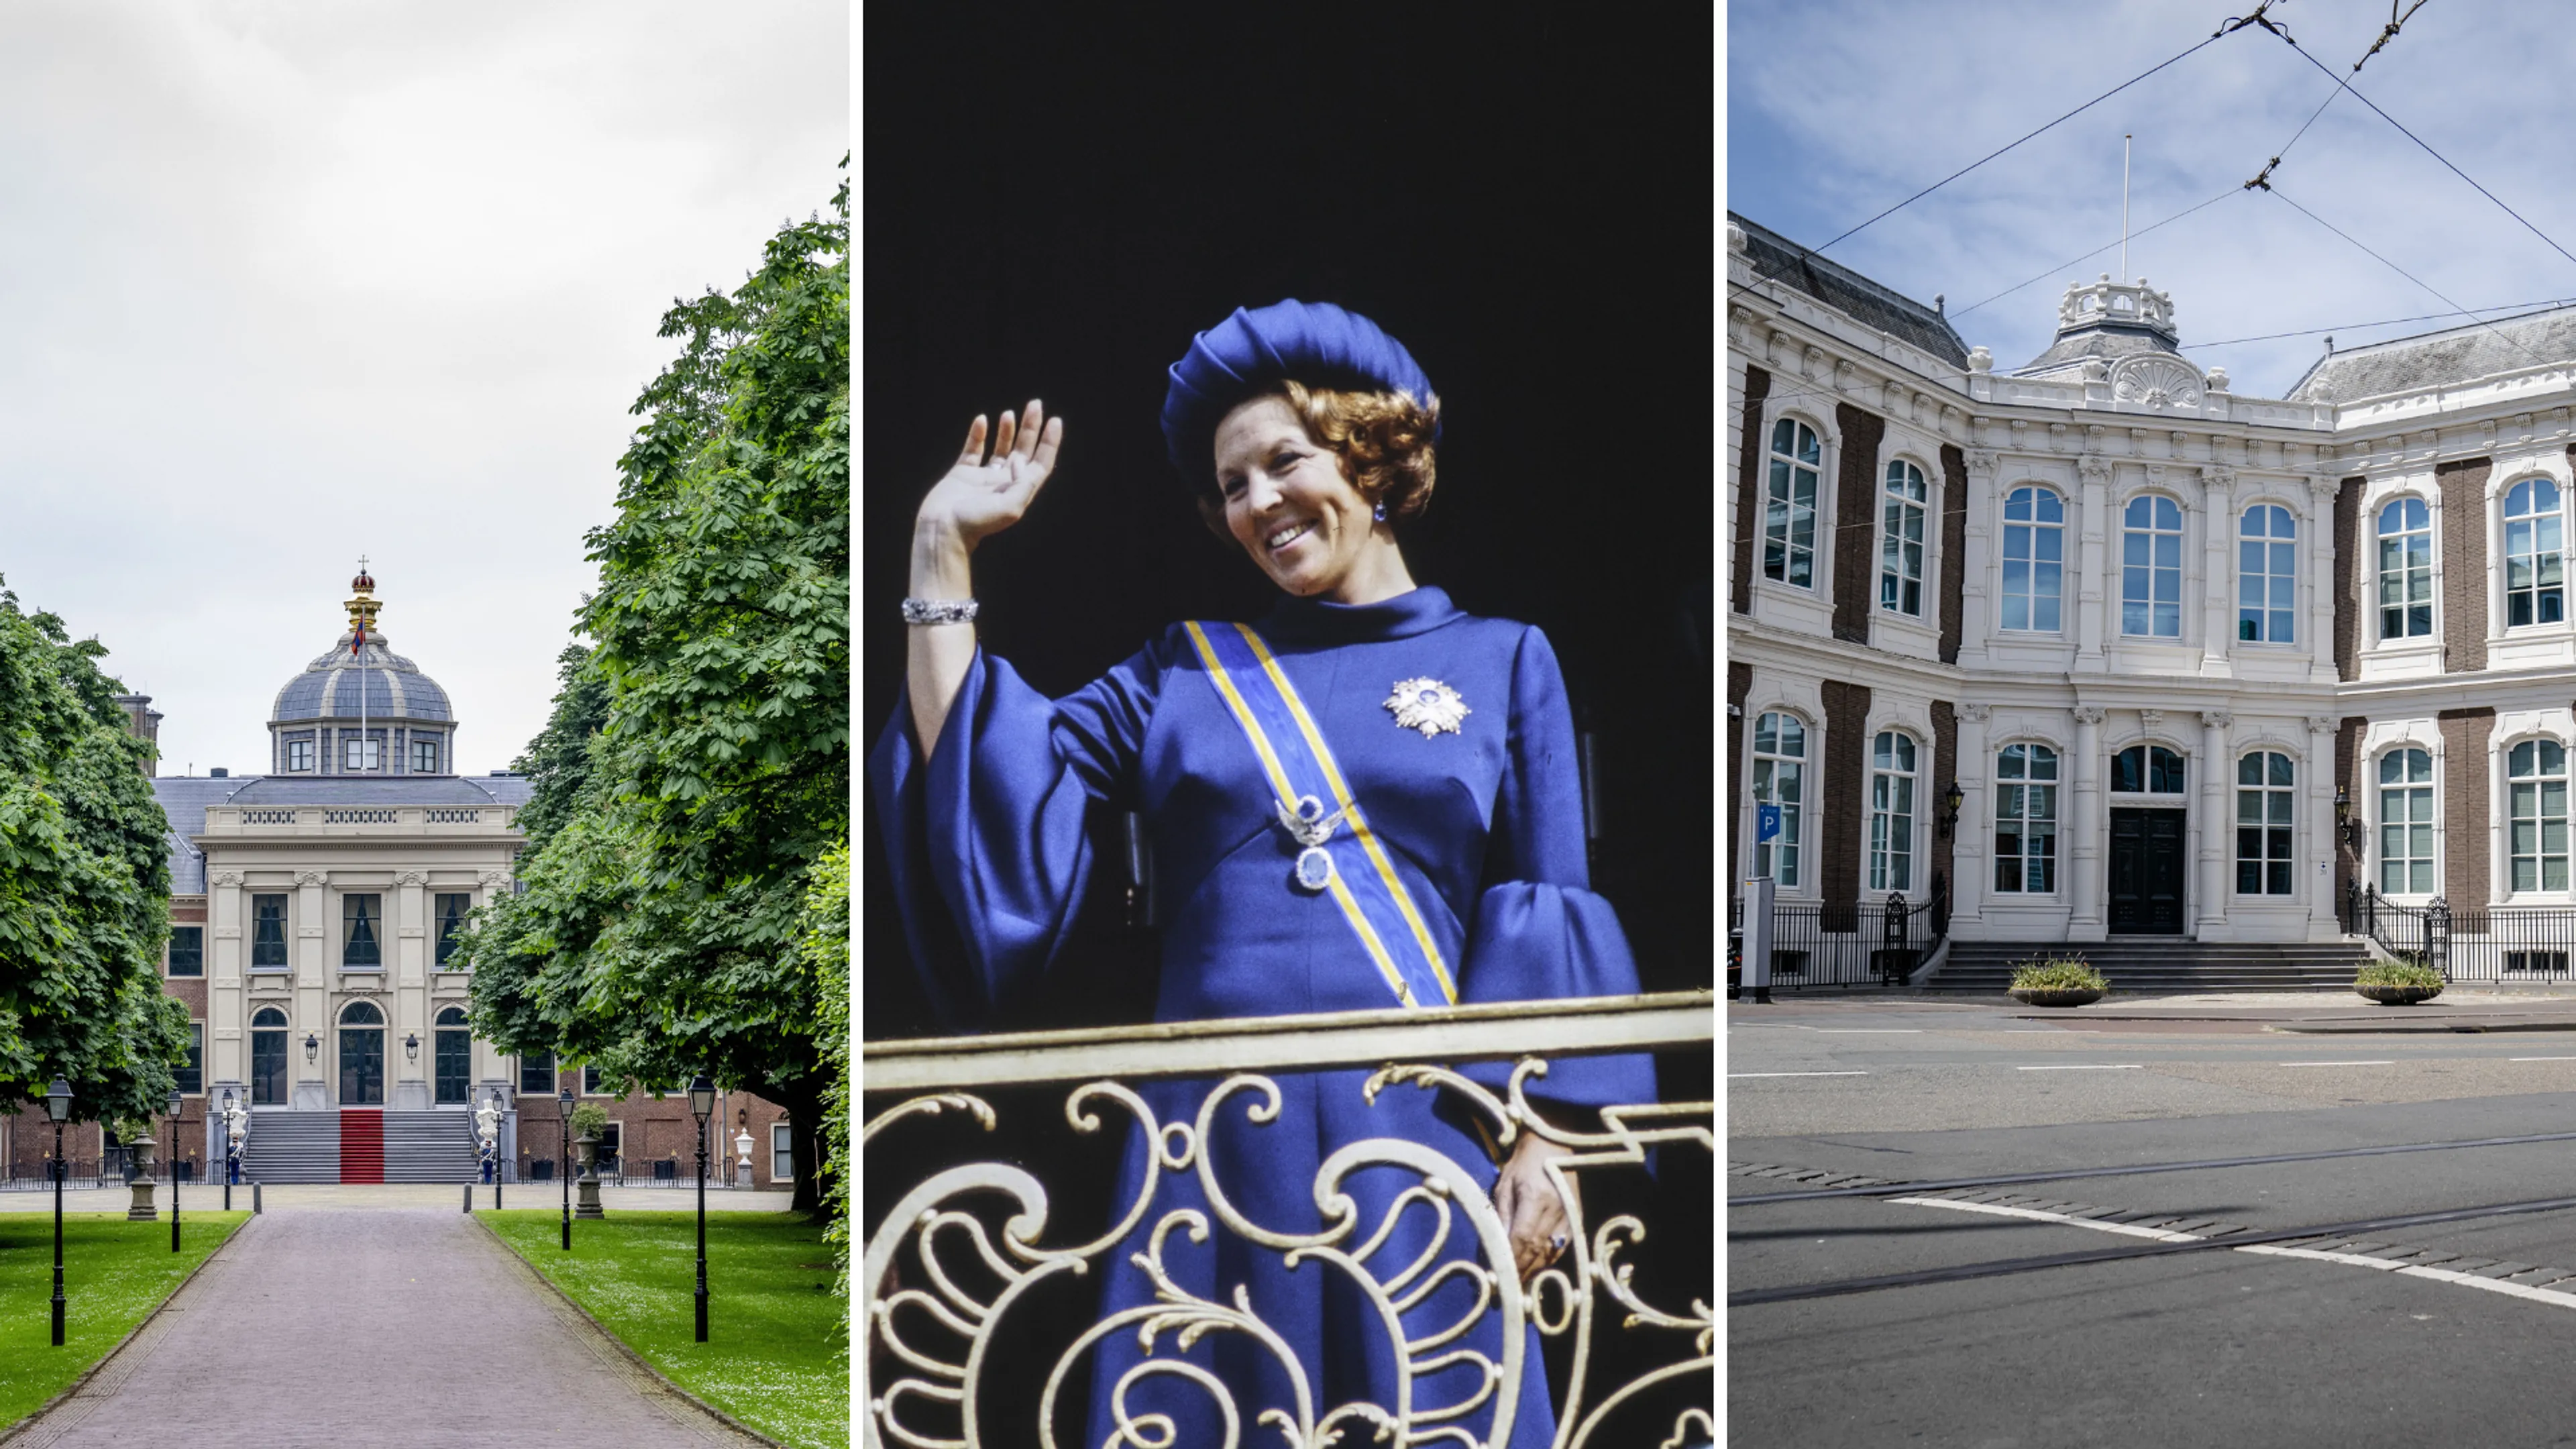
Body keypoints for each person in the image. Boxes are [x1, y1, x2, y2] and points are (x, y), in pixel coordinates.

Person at [870, 299, 1652, 1446]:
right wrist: (940, 552)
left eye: (1285, 462)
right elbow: (979, 778)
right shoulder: (1180, 671)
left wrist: (1549, 1144)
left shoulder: (1503, 656)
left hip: (1414, 1137)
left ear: (1372, 458)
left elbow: (1547, 908)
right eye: (1233, 486)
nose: (1258, 503)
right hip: (1208, 1144)